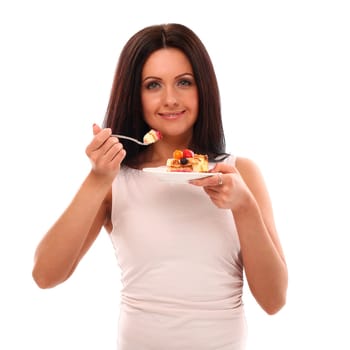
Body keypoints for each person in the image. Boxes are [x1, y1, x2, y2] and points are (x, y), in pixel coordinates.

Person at [32, 23, 288, 350]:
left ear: (204, 88)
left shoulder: (240, 174)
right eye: (153, 85)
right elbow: (45, 275)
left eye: (184, 82)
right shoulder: (115, 180)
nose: (170, 99)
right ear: (134, 95)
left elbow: (274, 300)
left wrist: (244, 206)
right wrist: (97, 179)